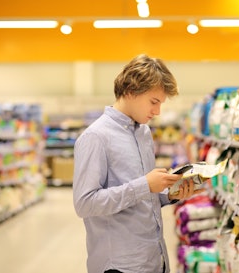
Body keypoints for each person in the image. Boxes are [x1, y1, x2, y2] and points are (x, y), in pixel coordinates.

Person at [73, 54, 203, 273]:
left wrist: (169, 193)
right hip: (120, 265)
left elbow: (142, 196)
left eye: (161, 104)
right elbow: (84, 204)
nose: (157, 112)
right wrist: (145, 185)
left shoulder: (143, 132)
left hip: (153, 258)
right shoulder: (96, 137)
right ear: (131, 91)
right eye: (154, 102)